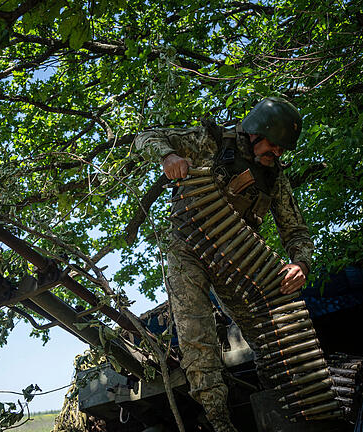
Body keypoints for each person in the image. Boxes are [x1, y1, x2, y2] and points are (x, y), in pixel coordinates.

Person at [134, 97, 314, 432]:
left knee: (269, 335)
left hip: (235, 259)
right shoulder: (211, 141)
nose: (277, 153)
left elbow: (296, 230)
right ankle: (219, 423)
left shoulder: (274, 177)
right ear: (255, 133)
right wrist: (168, 156)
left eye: (281, 149)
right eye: (274, 145)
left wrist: (300, 263)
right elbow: (145, 136)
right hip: (188, 248)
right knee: (197, 338)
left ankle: (288, 410)